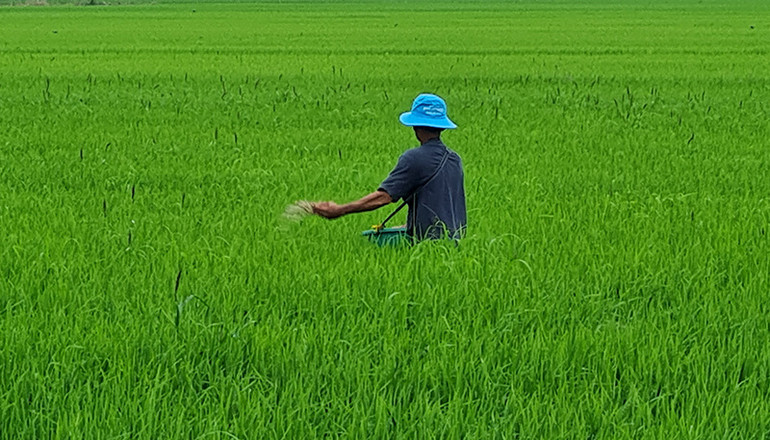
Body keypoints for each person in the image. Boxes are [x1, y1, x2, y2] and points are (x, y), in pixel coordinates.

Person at [312, 93, 466, 240]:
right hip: (455, 241)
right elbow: (440, 203)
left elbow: (384, 197)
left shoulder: (414, 158)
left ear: (415, 126)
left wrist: (340, 210)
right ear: (442, 127)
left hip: (426, 243)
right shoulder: (454, 159)